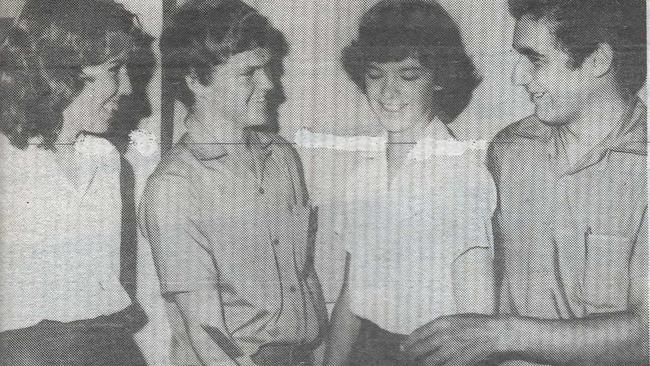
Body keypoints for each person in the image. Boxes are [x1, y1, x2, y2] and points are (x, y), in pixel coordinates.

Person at [403, 0, 648, 365]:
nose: (518, 76)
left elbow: (645, 337)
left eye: (535, 60)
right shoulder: (508, 151)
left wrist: (502, 335)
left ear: (598, 60)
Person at [139, 1, 328, 365]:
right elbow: (207, 334)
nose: (269, 84)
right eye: (249, 73)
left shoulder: (283, 158)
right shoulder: (176, 187)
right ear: (196, 80)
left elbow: (305, 278)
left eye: (268, 69)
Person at [324, 1, 495, 365]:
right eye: (375, 74)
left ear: (439, 78)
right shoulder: (362, 177)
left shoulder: (461, 177)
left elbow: (476, 323)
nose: (387, 92)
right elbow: (350, 299)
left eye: (408, 76)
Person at [0, 0, 154, 364]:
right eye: (115, 70)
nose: (129, 88)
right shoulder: (7, 161)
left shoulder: (108, 161)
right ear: (65, 72)